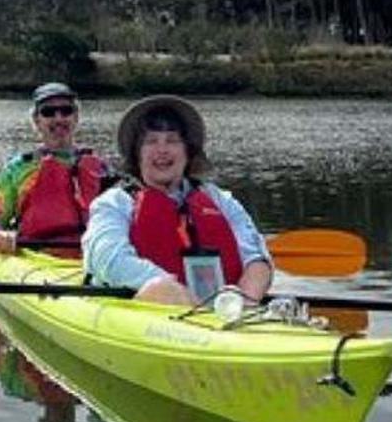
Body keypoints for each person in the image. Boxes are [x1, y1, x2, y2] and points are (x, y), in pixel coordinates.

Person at [82, 95, 273, 306]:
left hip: (227, 309)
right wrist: (173, 292)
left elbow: (256, 260)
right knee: (159, 288)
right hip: (149, 309)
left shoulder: (221, 201)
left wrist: (243, 302)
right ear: (137, 154)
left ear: (187, 151)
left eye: (172, 140)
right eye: (151, 141)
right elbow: (110, 261)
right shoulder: (113, 204)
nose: (162, 150)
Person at [0, 82, 113, 255]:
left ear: (76, 117)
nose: (58, 119)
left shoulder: (100, 168)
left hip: (90, 256)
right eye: (48, 112)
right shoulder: (18, 169)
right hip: (35, 257)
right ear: (37, 120)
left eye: (66, 111)